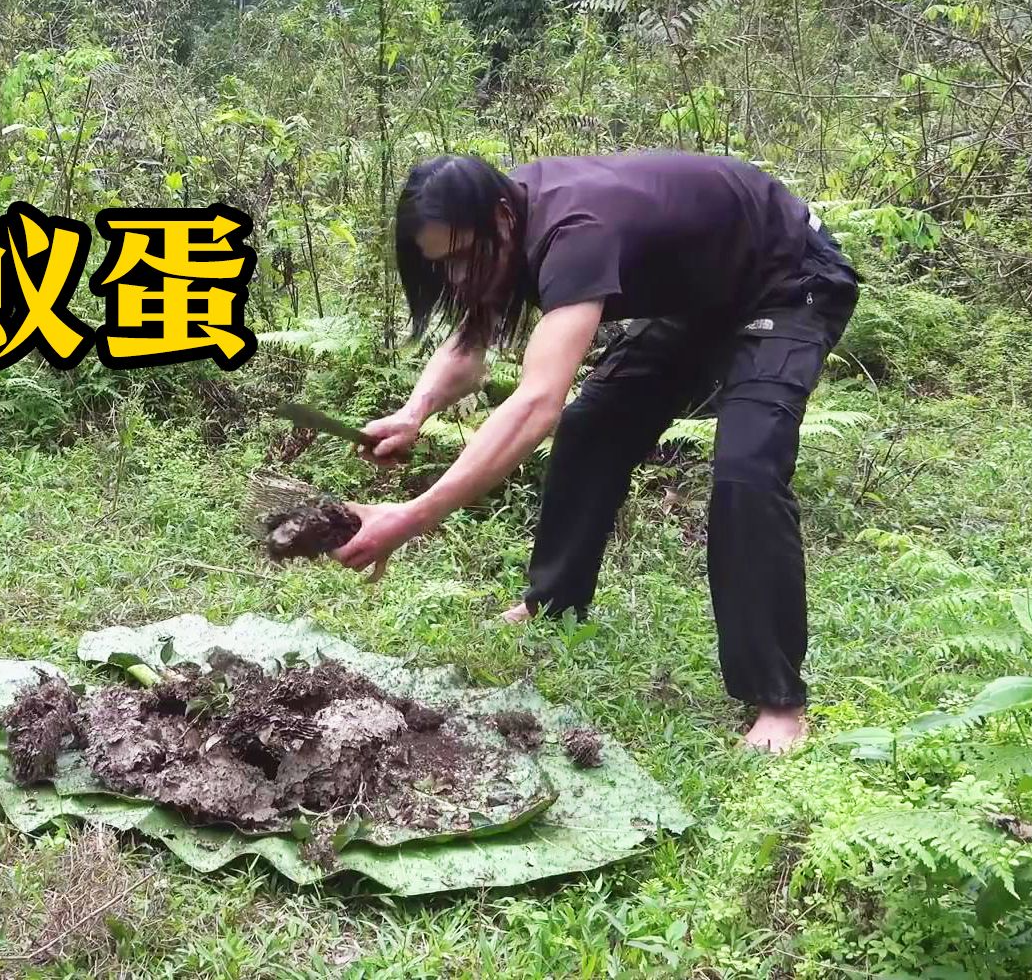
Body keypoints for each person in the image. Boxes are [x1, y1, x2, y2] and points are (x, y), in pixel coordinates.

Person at [332, 150, 859, 753]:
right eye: (440, 265)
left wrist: (412, 516)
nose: (455, 278)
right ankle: (553, 603)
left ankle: (779, 702)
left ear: (501, 220)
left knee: (746, 469)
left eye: (458, 259)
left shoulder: (574, 234)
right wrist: (413, 411)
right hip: (697, 295)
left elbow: (536, 404)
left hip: (787, 279)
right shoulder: (497, 221)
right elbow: (471, 341)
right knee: (593, 428)